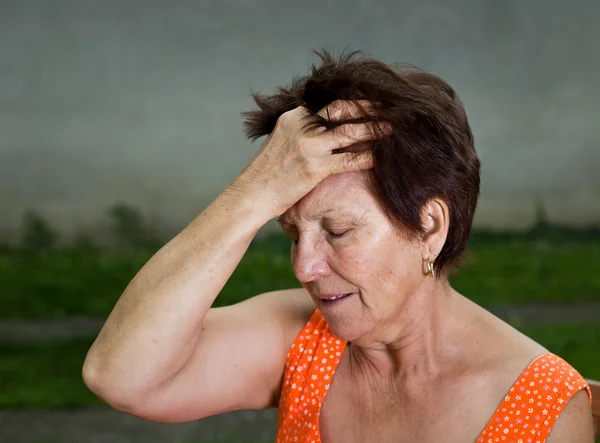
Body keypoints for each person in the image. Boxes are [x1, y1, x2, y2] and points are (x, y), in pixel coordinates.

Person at [82, 50, 594, 443]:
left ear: (430, 227)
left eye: (339, 231)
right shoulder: (302, 340)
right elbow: (121, 376)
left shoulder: (541, 410)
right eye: (291, 233)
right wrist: (255, 191)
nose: (304, 266)